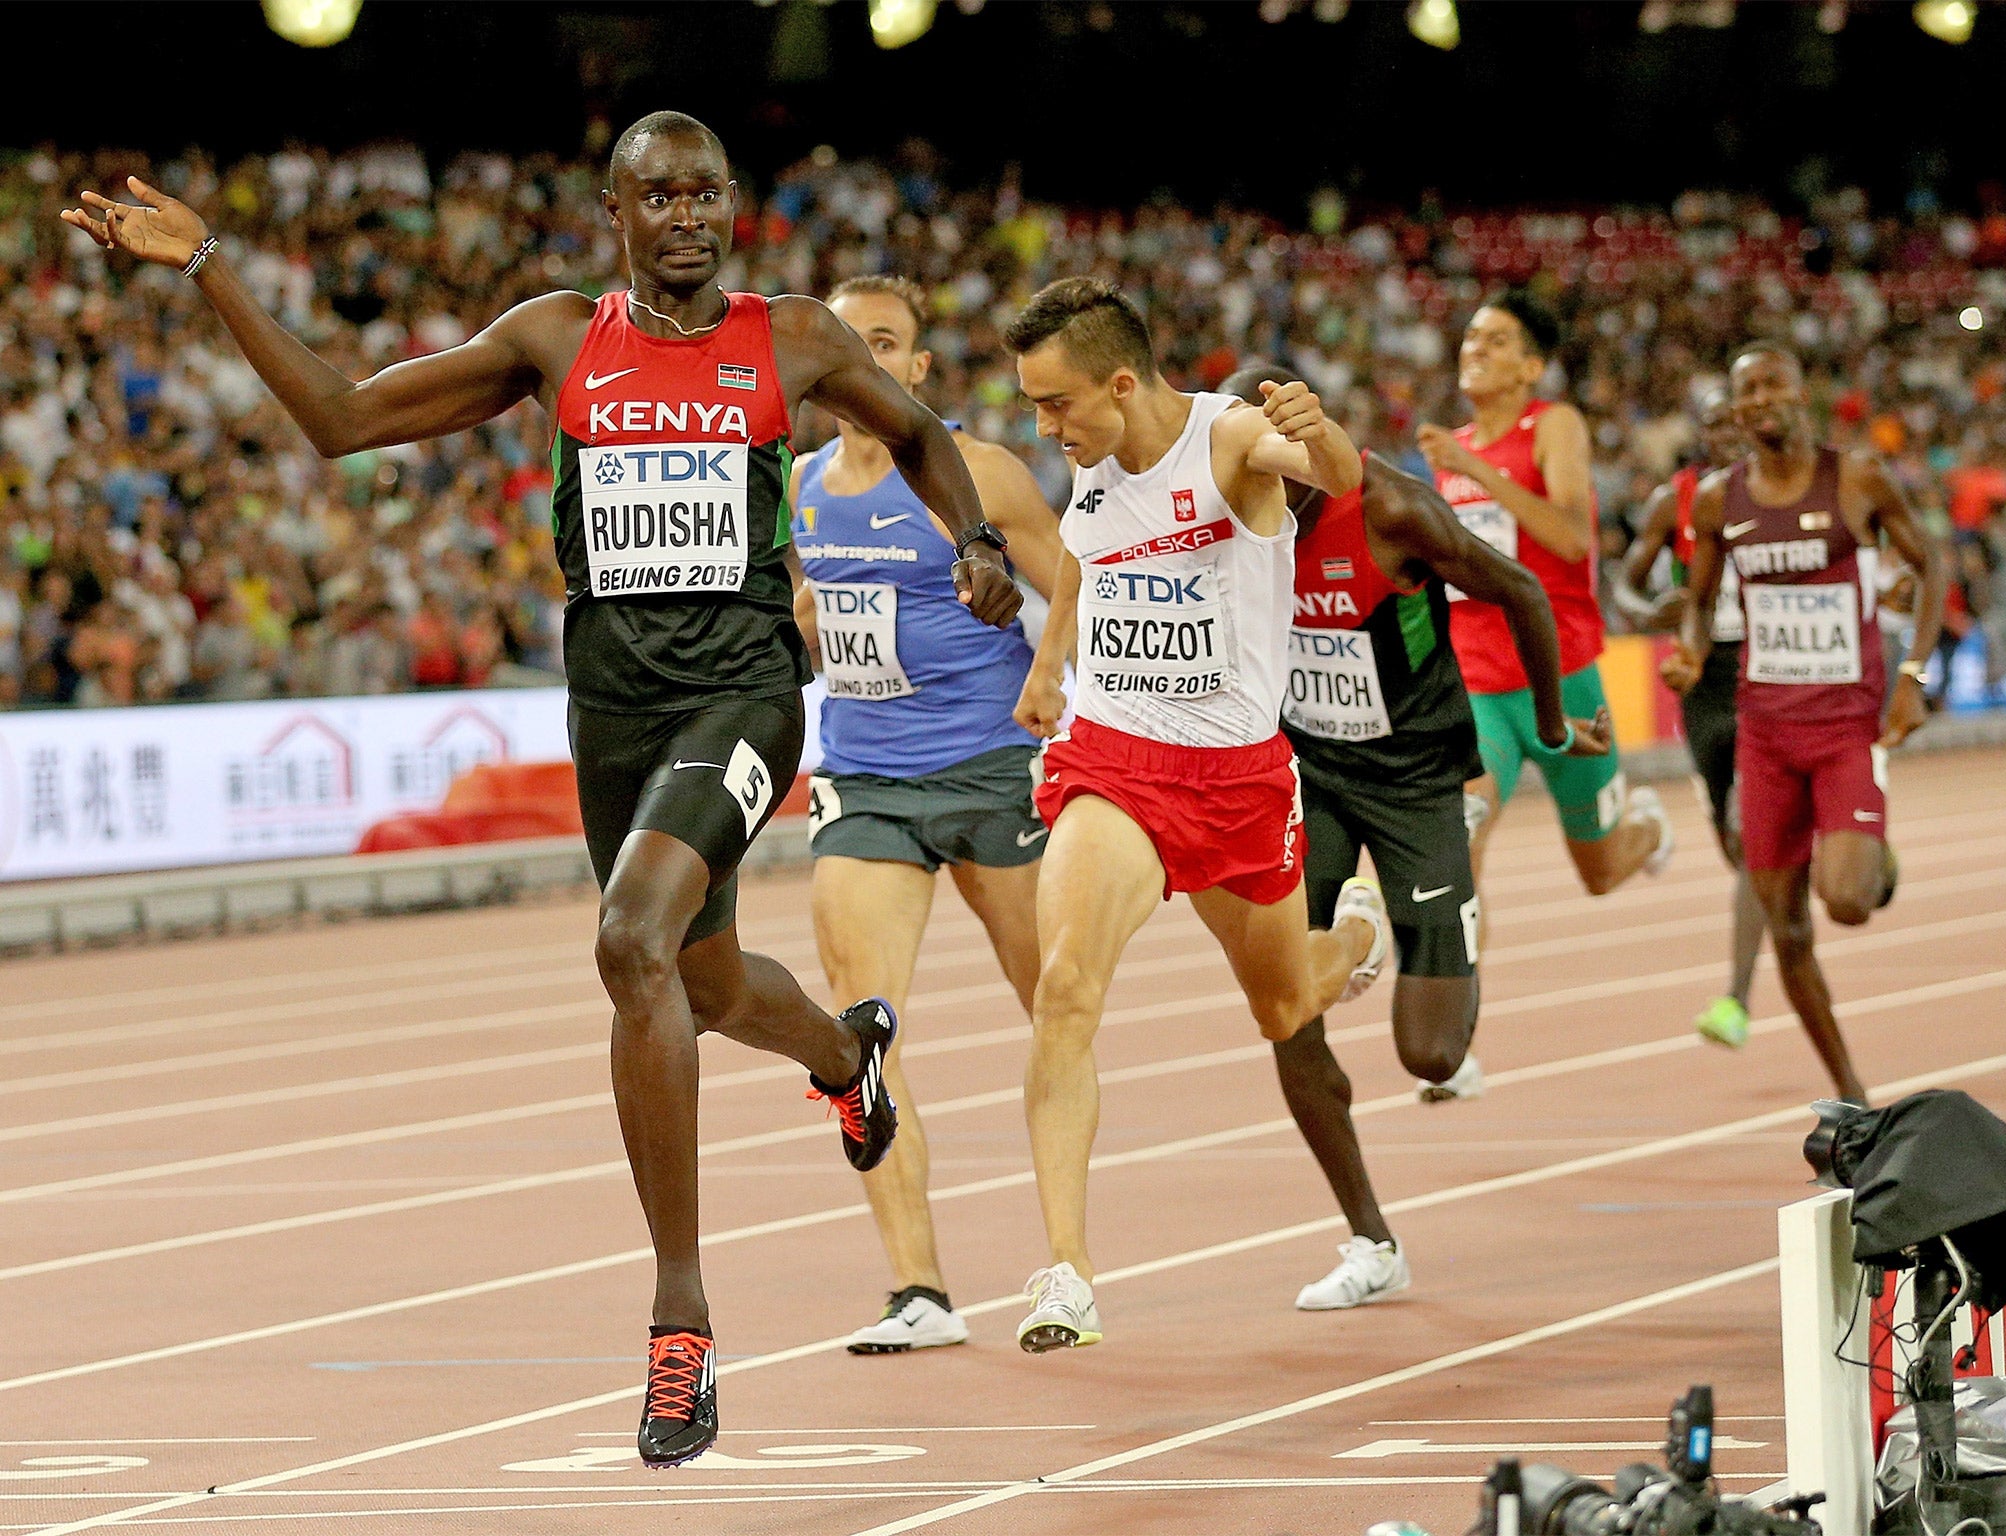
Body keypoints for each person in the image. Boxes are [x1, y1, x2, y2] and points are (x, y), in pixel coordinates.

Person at [63, 110, 1022, 1467]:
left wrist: (974, 536)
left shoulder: (792, 337)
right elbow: (340, 421)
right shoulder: (554, 340)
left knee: (629, 938)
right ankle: (849, 1055)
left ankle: (679, 1324)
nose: (686, 217)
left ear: (733, 207)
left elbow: (922, 433)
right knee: (693, 982)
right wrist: (212, 261)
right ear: (614, 212)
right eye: (659, 197)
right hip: (613, 711)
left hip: (743, 691)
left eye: (707, 196)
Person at [1005, 277, 1383, 1353]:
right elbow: (1081, 564)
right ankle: (1066, 1273)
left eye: (1056, 404)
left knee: (1282, 1009)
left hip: (1237, 783)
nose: (1044, 427)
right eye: (1032, 407)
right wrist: (1046, 665)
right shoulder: (1087, 468)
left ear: (1120, 383)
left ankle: (1354, 931)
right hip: (1114, 762)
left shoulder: (1228, 439)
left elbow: (1335, 477)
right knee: (1063, 988)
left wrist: (1321, 431)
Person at [1222, 366, 1611, 1309]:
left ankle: (1392, 915)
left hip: (1416, 782)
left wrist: (1552, 728)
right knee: (1283, 1006)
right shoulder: (1223, 523)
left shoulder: (1391, 511)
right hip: (1307, 780)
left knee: (1431, 1056)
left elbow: (1520, 591)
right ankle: (1370, 1238)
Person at [787, 275, 1064, 1353]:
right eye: (843, 342)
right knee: (860, 1033)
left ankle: (1063, 1267)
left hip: (995, 768)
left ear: (915, 372)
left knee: (1058, 1012)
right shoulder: (800, 485)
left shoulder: (977, 470)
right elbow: (810, 601)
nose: (862, 358)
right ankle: (918, 1290)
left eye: (885, 342)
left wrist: (1059, 687)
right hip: (867, 782)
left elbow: (1071, 580)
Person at [1661, 343, 1947, 1105]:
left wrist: (1914, 677)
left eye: (1773, 384)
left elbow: (1933, 564)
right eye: (1746, 389)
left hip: (1846, 727)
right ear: (1735, 405)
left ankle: (1867, 854)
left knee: (1846, 900)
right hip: (1766, 735)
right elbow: (1698, 597)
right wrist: (1690, 651)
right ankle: (1850, 1088)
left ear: (1801, 392)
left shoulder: (1855, 477)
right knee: (1787, 927)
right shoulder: (1720, 500)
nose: (1761, 399)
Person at [1418, 291, 1673, 978]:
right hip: (1477, 687)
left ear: (1531, 367)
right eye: (1471, 337)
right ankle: (1453, 1029)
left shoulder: (1552, 425)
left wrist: (1476, 472)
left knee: (1601, 869)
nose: (1476, 349)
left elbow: (1567, 536)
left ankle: (1646, 829)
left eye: (1497, 340)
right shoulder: (1452, 451)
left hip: (1561, 681)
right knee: (1457, 842)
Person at [1616, 389, 1766, 1047]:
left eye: (1738, 423)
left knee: (1749, 823)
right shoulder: (1673, 500)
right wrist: (1650, 613)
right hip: (1703, 681)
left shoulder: (1785, 492)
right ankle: (1777, 890)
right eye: (1716, 426)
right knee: (1735, 845)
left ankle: (1736, 999)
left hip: (1769, 671)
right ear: (1700, 436)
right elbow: (1625, 582)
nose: (1729, 436)